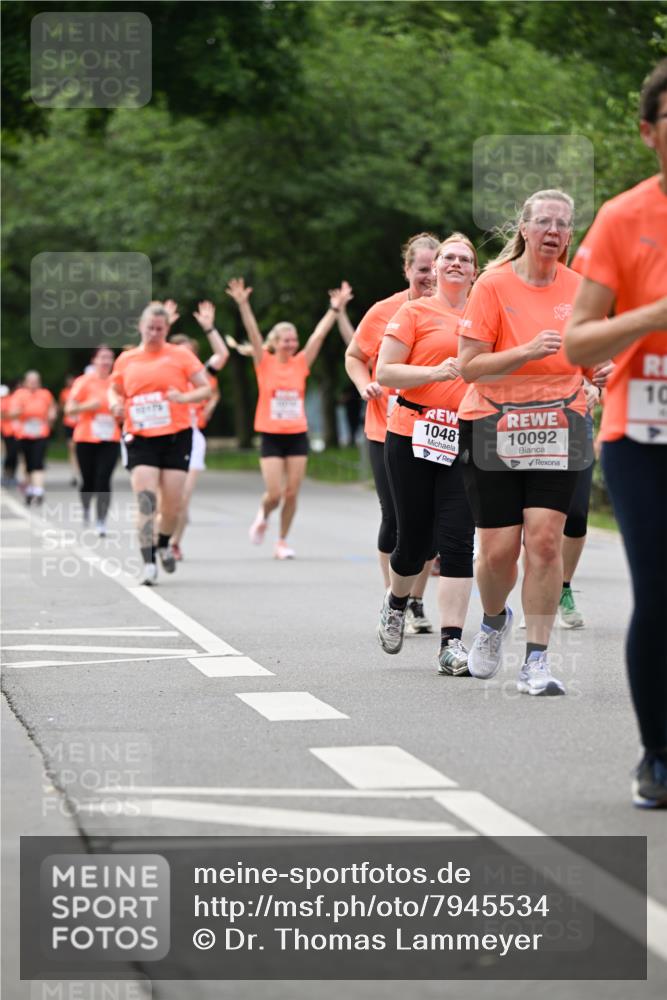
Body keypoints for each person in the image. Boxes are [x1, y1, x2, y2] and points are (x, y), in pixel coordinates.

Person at [457, 189, 610, 697]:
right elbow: (470, 366)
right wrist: (523, 352)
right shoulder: (492, 286)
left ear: (570, 235)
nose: (553, 231)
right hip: (493, 425)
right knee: (498, 552)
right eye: (543, 221)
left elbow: (594, 360)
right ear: (523, 229)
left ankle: (536, 662)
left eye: (563, 224)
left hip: (561, 426)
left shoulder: (582, 288)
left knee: (544, 541)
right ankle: (494, 620)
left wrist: (603, 369)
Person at [565, 60, 667, 806]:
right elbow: (577, 345)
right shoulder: (623, 217)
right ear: (647, 132)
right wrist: (655, 315)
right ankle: (657, 755)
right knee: (660, 594)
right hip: (643, 433)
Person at [375, 234, 477, 673]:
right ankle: (397, 601)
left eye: (465, 259)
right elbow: (385, 370)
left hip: (466, 437)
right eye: (448, 258)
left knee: (457, 540)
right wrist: (434, 371)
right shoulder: (413, 311)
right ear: (434, 269)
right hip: (411, 432)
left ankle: (451, 644)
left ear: (476, 270)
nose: (456, 263)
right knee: (414, 540)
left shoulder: (485, 314)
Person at [345, 233, 440, 634]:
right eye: (422, 270)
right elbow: (354, 356)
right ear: (407, 270)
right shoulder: (384, 311)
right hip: (387, 430)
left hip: (439, 431)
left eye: (436, 268)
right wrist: (363, 383)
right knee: (396, 518)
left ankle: (415, 599)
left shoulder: (458, 310)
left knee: (431, 525)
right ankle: (394, 599)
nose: (430, 276)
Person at [226, 277, 353, 559]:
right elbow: (253, 333)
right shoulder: (264, 362)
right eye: (286, 340)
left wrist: (334, 310)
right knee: (274, 494)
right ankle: (264, 513)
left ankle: (281, 541)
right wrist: (244, 304)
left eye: (294, 339)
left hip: (296, 434)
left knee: (292, 493)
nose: (292, 344)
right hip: (271, 435)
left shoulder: (301, 363)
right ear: (276, 343)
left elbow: (318, 337)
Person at [108, 302, 212, 585]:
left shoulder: (181, 356)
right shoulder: (127, 359)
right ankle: (148, 563)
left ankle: (164, 543)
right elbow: (113, 389)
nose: (154, 333)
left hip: (176, 437)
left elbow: (205, 387)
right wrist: (115, 403)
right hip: (140, 437)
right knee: (146, 502)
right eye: (150, 328)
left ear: (167, 329)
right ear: (141, 327)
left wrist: (184, 397)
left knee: (173, 506)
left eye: (160, 329)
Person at [168, 300, 230, 560]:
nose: (186, 358)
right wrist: (166, 323)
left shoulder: (202, 374)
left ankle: (173, 543)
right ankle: (162, 534)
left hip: (191, 437)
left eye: (190, 353)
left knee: (183, 497)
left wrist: (209, 328)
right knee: (167, 499)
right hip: (164, 436)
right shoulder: (163, 373)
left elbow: (223, 355)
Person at [65, 347, 121, 535]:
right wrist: (87, 406)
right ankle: (86, 506)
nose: (106, 361)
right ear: (94, 360)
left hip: (110, 438)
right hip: (86, 438)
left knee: (103, 478)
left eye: (109, 358)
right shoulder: (83, 382)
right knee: (88, 480)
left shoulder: (118, 382)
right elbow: (69, 409)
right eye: (102, 357)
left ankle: (101, 520)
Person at [9, 371, 57, 505]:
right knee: (27, 462)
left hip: (40, 433)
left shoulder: (45, 394)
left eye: (36, 381)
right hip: (24, 433)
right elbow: (11, 413)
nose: (33, 384)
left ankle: (39, 490)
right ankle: (30, 488)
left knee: (38, 461)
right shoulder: (19, 394)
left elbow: (52, 407)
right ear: (25, 382)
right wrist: (19, 412)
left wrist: (52, 414)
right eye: (31, 381)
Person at [59, 375, 79, 487]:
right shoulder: (64, 392)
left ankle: (79, 472)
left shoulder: (81, 390)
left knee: (80, 449)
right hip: (69, 424)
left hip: (80, 424)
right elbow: (62, 407)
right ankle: (74, 474)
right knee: (72, 449)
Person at [1, 383, 20, 487]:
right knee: (10, 453)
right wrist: (13, 415)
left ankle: (12, 474)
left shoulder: (16, 399)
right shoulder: (5, 400)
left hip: (18, 431)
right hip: (7, 431)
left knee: (15, 454)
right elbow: (2, 414)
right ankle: (6, 473)